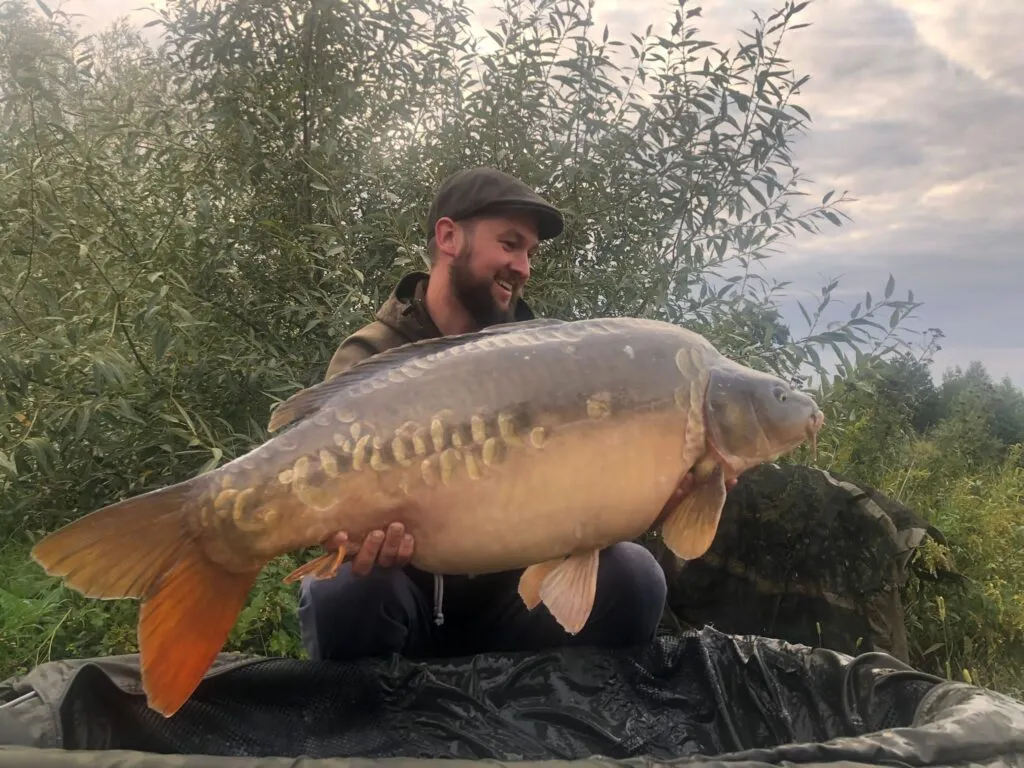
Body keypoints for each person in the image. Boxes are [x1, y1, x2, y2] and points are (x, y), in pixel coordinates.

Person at [297, 167, 722, 662]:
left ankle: (551, 726)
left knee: (634, 575)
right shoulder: (370, 357)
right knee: (345, 589)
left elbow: (584, 502)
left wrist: (650, 500)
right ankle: (371, 730)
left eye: (529, 253)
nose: (522, 266)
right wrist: (353, 540)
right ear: (449, 237)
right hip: (405, 606)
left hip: (517, 605)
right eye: (509, 243)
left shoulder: (553, 365)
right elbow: (321, 507)